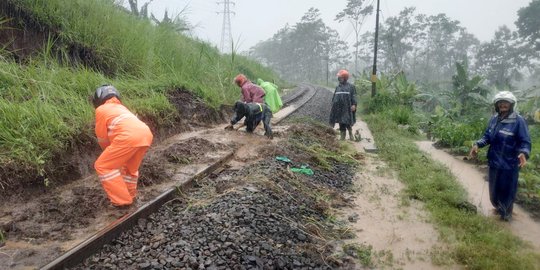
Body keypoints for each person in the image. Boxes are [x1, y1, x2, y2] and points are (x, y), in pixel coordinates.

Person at [469, 91, 531, 221]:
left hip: (510, 164)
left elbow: (525, 141)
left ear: (511, 105)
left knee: (507, 192)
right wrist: (477, 145)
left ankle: (506, 216)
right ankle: (498, 208)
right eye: (500, 103)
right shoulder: (494, 119)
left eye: (506, 103)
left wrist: (523, 152)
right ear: (497, 105)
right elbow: (487, 137)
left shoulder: (518, 121)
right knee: (494, 192)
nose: (503, 105)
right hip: (494, 162)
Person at [92, 85, 154, 207]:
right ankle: (130, 196)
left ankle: (122, 201)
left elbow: (102, 138)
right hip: (146, 134)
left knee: (103, 166)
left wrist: (109, 154)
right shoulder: (122, 108)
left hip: (128, 137)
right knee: (130, 169)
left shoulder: (101, 110)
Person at [329, 69, 357, 140]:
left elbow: (354, 96)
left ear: (345, 78)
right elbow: (334, 97)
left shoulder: (351, 87)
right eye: (339, 77)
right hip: (339, 108)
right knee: (341, 122)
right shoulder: (338, 87)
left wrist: (354, 104)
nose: (339, 79)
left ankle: (350, 133)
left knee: (347, 121)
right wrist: (333, 106)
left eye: (340, 77)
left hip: (347, 108)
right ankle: (342, 137)